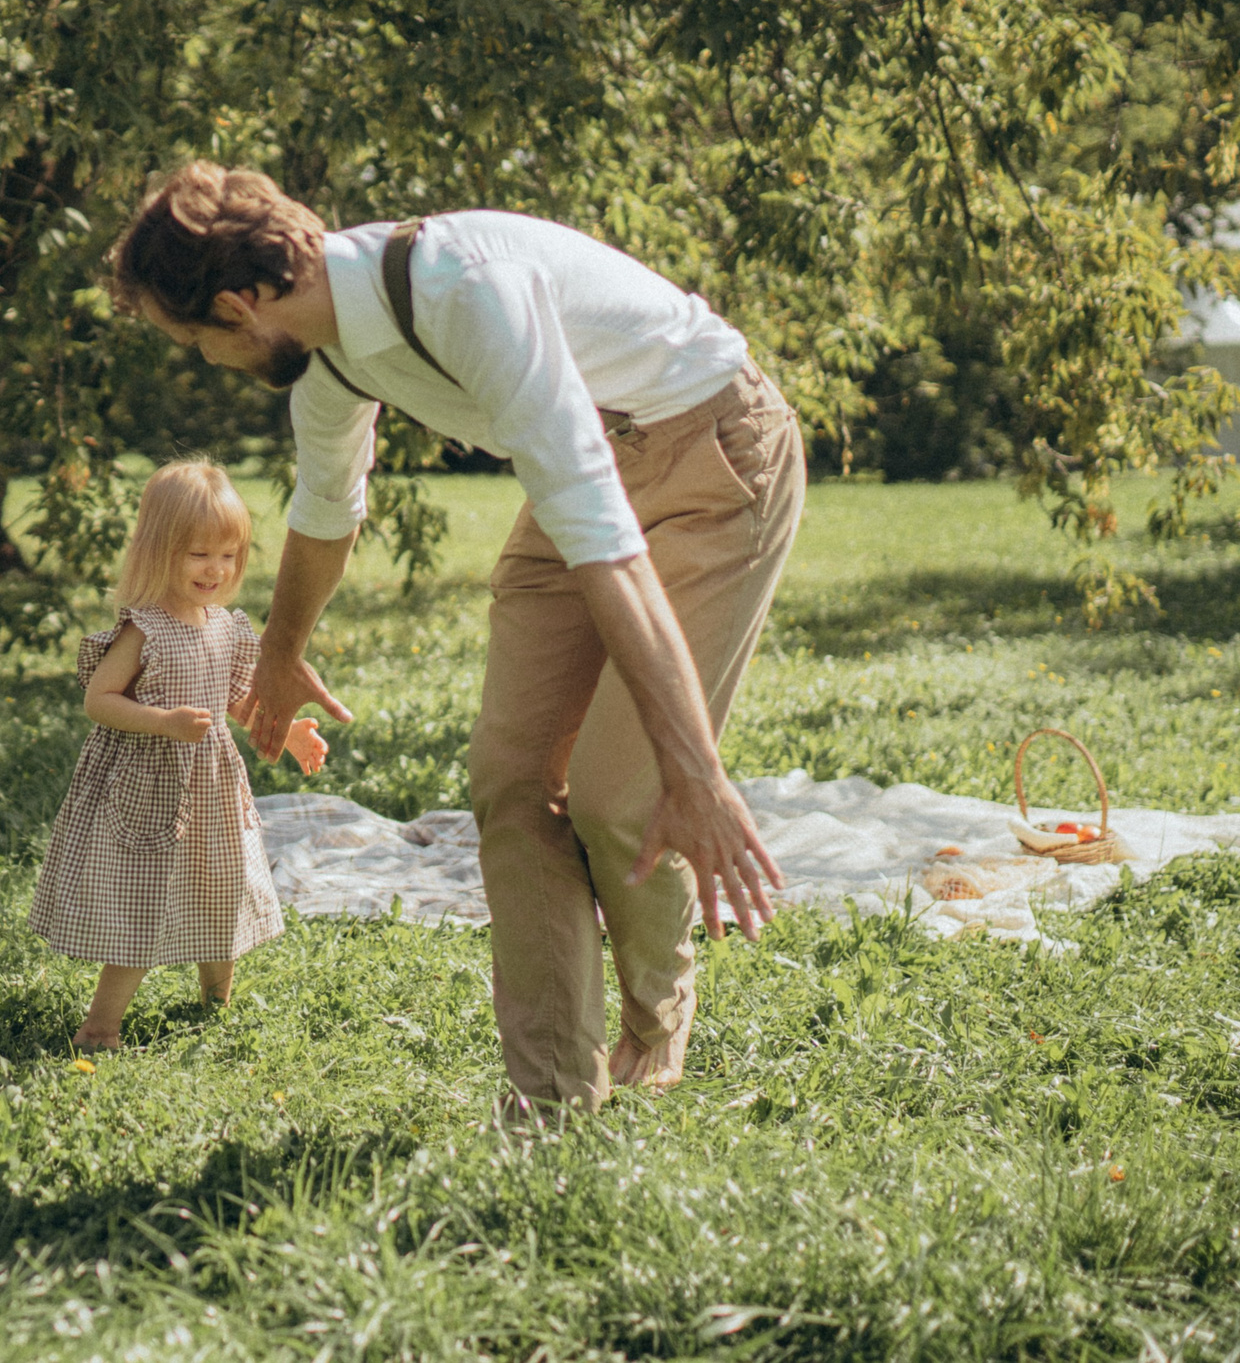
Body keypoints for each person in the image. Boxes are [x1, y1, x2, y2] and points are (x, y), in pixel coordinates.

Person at [109, 163, 806, 1113]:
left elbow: (608, 551)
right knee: (510, 781)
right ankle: (553, 1100)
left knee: (617, 793)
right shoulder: (330, 359)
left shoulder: (464, 289)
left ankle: (654, 1020)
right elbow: (326, 509)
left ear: (240, 306)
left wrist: (698, 772)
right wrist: (277, 654)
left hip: (714, 450)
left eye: (192, 339)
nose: (204, 360)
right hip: (590, 472)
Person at [30, 460, 328, 1052]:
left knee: (220, 896)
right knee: (146, 904)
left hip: (213, 795)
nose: (215, 569)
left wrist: (285, 730)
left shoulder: (227, 628)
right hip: (150, 789)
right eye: (198, 554)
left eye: (228, 555)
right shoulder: (145, 629)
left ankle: (217, 1005)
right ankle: (100, 1027)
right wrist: (163, 722)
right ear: (159, 550)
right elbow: (100, 700)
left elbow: (237, 699)